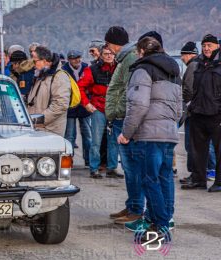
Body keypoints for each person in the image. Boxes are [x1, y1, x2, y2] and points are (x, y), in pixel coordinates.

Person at [118, 36, 181, 243]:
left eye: (137, 51)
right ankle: (164, 219)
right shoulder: (174, 72)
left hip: (149, 134)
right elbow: (180, 108)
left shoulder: (142, 70)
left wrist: (126, 133)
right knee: (164, 177)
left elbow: (138, 105)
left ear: (142, 51)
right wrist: (171, 125)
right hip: (169, 133)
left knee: (149, 179)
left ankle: (159, 225)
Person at [105, 27, 142, 224]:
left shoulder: (129, 58)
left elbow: (129, 92)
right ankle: (131, 205)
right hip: (120, 118)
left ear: (114, 43)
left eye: (109, 44)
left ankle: (136, 209)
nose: (108, 49)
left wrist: (118, 112)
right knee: (129, 168)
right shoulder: (125, 57)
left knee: (132, 168)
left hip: (124, 119)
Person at [181, 34, 221, 192]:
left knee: (219, 151)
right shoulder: (198, 65)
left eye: (209, 45)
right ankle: (198, 179)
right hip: (198, 113)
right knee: (197, 150)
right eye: (204, 45)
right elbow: (192, 89)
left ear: (217, 46)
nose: (206, 48)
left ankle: (219, 182)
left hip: (217, 114)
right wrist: (191, 107)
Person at [78, 45, 121, 179]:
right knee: (96, 140)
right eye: (106, 54)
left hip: (115, 108)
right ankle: (94, 168)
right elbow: (79, 87)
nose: (109, 56)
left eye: (111, 53)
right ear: (101, 55)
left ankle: (112, 168)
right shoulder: (92, 69)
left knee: (113, 140)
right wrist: (86, 104)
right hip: (99, 107)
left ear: (115, 55)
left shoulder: (119, 68)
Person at [27, 46, 71, 136]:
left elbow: (60, 105)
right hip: (37, 128)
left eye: (35, 61)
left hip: (50, 131)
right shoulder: (41, 75)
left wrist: (38, 120)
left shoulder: (59, 77)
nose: (33, 64)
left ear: (45, 61)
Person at [63, 50, 91, 166]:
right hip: (71, 106)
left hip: (84, 105)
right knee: (70, 135)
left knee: (87, 133)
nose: (76, 60)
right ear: (69, 59)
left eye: (78, 58)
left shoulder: (86, 67)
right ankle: (70, 160)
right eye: (73, 58)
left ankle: (88, 159)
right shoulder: (64, 70)